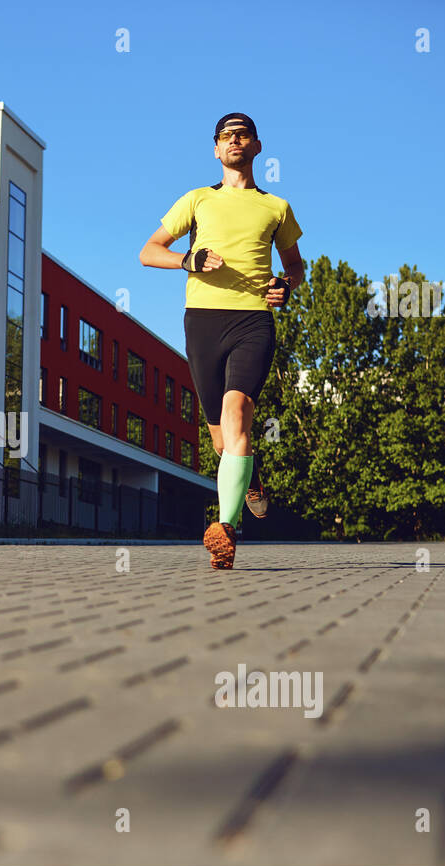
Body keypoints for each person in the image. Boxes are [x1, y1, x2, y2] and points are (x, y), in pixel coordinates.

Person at [138, 112, 305, 569]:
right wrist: (188, 259)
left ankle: (225, 528)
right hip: (203, 322)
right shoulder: (196, 199)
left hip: (253, 321)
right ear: (216, 149)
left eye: (242, 134)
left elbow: (296, 267)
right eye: (225, 136)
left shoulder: (277, 207)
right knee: (222, 441)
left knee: (237, 411)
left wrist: (286, 286)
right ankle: (248, 476)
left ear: (256, 146)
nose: (234, 140)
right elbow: (148, 252)